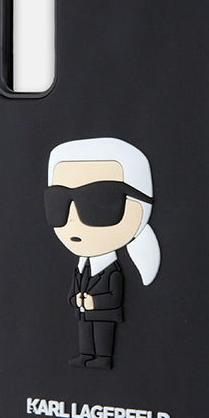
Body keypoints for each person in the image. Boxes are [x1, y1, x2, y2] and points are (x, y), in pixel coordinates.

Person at [44, 137, 161, 369]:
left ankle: (103, 357)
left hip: (104, 315)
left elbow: (114, 295)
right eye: (58, 203)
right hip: (83, 313)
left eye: (99, 201)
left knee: (102, 335)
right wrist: (75, 299)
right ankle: (86, 354)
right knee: (86, 334)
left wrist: (94, 301)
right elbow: (72, 291)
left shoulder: (112, 271)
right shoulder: (81, 267)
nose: (73, 218)